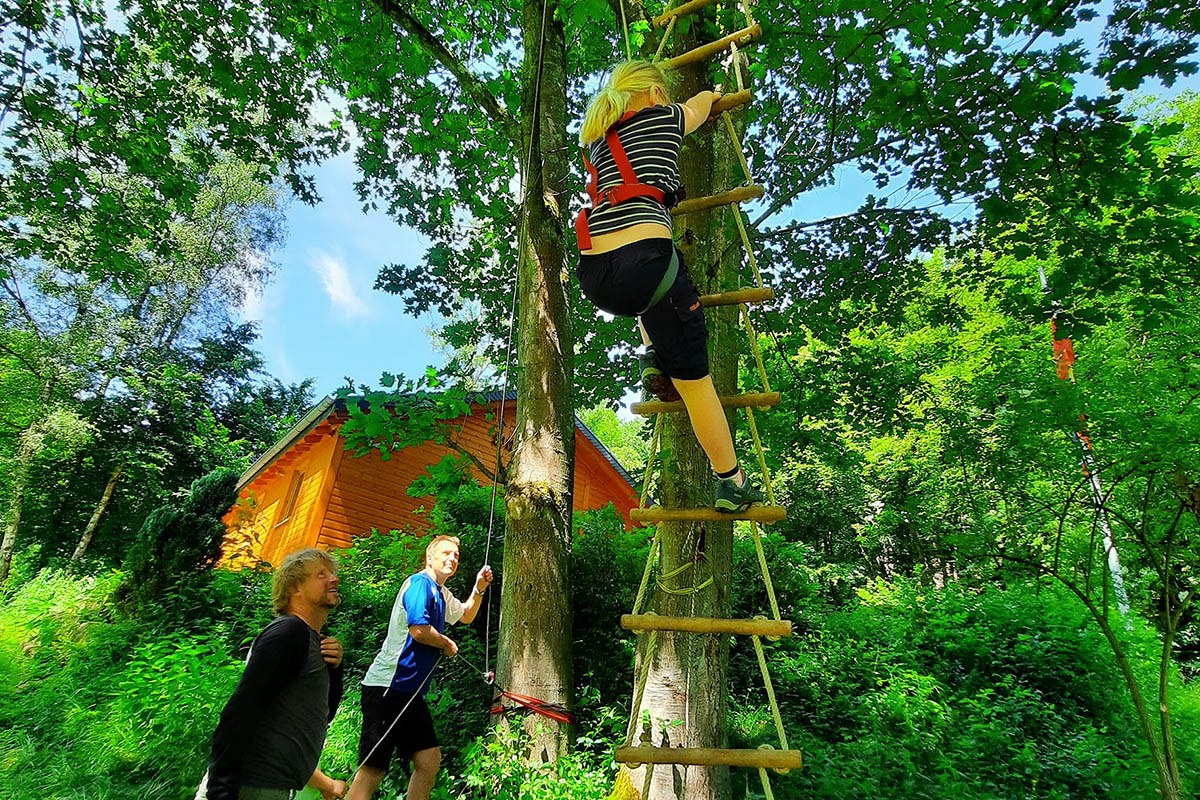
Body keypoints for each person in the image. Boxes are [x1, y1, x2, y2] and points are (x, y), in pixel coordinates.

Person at [575, 59, 762, 513]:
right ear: (656, 95)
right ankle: (732, 482)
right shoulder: (663, 116)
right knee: (697, 385)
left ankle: (653, 355)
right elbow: (700, 107)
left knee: (651, 296)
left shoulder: (600, 141)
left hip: (596, 272)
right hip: (645, 263)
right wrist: (714, 92)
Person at [347, 535, 493, 800]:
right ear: (429, 558)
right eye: (446, 553)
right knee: (373, 770)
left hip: (410, 693)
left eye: (456, 556)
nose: (452, 559)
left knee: (429, 760)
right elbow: (418, 630)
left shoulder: (440, 592)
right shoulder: (419, 584)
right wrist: (445, 643)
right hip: (386, 687)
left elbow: (467, 614)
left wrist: (479, 587)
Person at [200, 548, 347, 800]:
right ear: (295, 589)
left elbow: (322, 714)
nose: (334, 579)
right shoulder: (288, 633)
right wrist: (221, 789)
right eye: (321, 574)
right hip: (248, 787)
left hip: (273, 788)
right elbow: (241, 709)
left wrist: (335, 669)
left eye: (333, 573)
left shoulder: (313, 642)